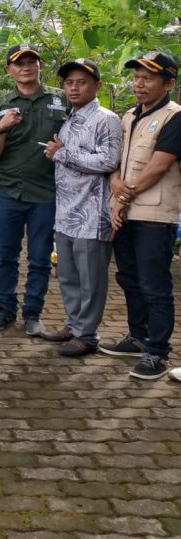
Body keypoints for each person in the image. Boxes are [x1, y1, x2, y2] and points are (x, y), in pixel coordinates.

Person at [35, 59, 123, 357]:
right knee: (68, 276)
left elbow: (109, 160)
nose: (73, 88)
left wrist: (62, 154)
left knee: (91, 280)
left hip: (92, 215)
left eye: (81, 82)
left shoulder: (106, 119)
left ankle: (87, 335)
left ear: (97, 85)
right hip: (66, 213)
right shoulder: (69, 118)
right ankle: (73, 326)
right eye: (69, 82)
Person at [102, 51, 181, 379]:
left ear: (169, 83)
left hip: (154, 215)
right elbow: (116, 161)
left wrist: (122, 197)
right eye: (136, 77)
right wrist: (116, 186)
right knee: (129, 278)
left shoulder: (174, 117)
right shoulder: (129, 116)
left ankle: (158, 352)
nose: (139, 83)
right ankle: (137, 336)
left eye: (148, 78)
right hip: (125, 212)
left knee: (154, 285)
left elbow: (158, 166)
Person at [0, 45, 68, 335]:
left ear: (40, 65)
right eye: (19, 63)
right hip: (8, 190)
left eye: (32, 61)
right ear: (9, 70)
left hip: (46, 192)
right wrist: (1, 128)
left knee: (40, 258)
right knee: (6, 256)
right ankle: (5, 310)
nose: (26, 67)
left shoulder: (61, 100)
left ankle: (33, 313)